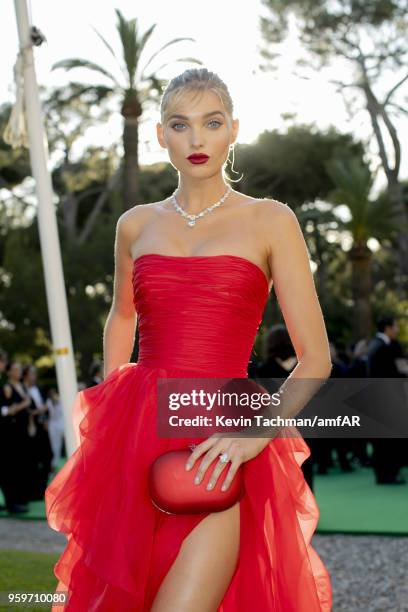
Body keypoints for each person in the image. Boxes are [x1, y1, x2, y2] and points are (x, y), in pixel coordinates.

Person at [45, 68, 333, 611]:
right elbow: (121, 317)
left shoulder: (271, 220)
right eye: (180, 125)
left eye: (212, 123)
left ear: (234, 131)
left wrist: (254, 436)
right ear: (160, 135)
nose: (196, 139)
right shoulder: (134, 224)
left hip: (221, 439)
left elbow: (316, 360)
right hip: (135, 435)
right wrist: (109, 414)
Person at [367, 315, 406, 485]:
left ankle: (388, 472)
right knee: (385, 439)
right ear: (388, 328)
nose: (397, 330)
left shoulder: (384, 345)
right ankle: (385, 474)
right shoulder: (380, 348)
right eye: (395, 326)